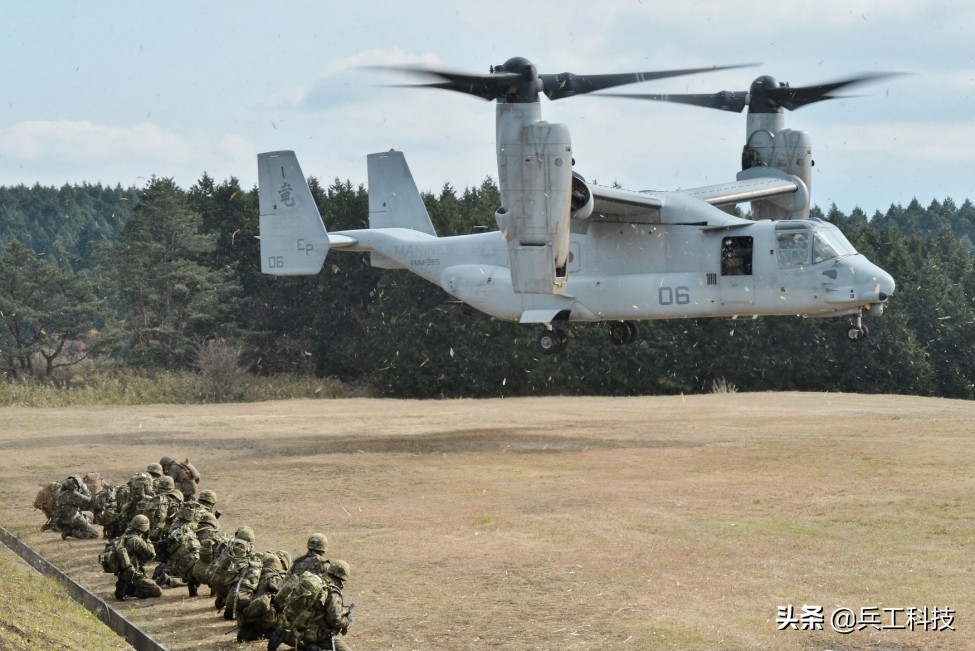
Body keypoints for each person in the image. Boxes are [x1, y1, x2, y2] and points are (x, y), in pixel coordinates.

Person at [113, 514, 162, 601]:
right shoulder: (136, 540)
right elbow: (151, 555)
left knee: (146, 577)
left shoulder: (124, 537)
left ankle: (124, 585)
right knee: (157, 591)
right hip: (133, 574)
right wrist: (147, 539)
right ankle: (130, 589)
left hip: (123, 572)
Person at [55, 475, 99, 539]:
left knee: (89, 514)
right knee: (95, 534)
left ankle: (71, 528)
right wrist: (85, 489)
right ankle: (71, 532)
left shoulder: (59, 492)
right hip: (73, 518)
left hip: (60, 519)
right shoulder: (72, 494)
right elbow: (88, 499)